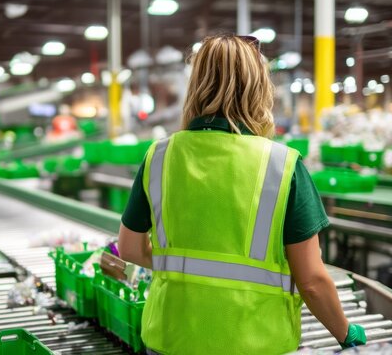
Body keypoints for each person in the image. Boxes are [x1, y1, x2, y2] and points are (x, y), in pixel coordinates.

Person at [117, 35, 367, 354]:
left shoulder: (161, 156)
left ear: (194, 85)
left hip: (171, 338)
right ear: (259, 88)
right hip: (255, 342)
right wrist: (346, 333)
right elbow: (312, 281)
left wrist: (180, 265)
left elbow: (128, 248)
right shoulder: (282, 164)